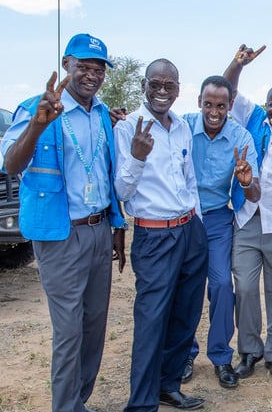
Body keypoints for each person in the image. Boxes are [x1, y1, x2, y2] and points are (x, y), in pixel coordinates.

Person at [1, 33, 126, 412]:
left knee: (93, 327)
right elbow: (11, 165)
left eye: (98, 69)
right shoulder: (35, 108)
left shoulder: (102, 114)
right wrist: (39, 124)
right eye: (83, 67)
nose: (91, 75)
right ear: (66, 64)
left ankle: (79, 402)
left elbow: (106, 173)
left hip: (98, 230)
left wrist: (117, 227)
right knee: (69, 330)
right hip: (60, 234)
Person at [114, 59, 208, 411]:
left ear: (179, 89)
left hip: (188, 230)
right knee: (152, 320)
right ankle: (140, 404)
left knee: (186, 315)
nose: (162, 92)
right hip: (154, 237)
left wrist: (195, 219)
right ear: (144, 86)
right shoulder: (127, 129)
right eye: (156, 84)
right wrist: (137, 157)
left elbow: (189, 180)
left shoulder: (182, 126)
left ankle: (168, 386)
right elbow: (122, 191)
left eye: (170, 86)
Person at [221, 45, 272, 379]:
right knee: (247, 289)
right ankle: (250, 350)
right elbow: (226, 91)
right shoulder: (253, 118)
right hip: (246, 221)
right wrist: (237, 64)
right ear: (266, 105)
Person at [181, 76, 259, 389]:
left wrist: (244, 181)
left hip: (216, 218)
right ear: (200, 101)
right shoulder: (182, 127)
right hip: (183, 216)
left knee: (223, 285)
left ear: (229, 106)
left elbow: (254, 194)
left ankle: (221, 356)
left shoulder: (241, 137)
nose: (215, 111)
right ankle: (184, 354)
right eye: (209, 104)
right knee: (185, 286)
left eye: (222, 106)